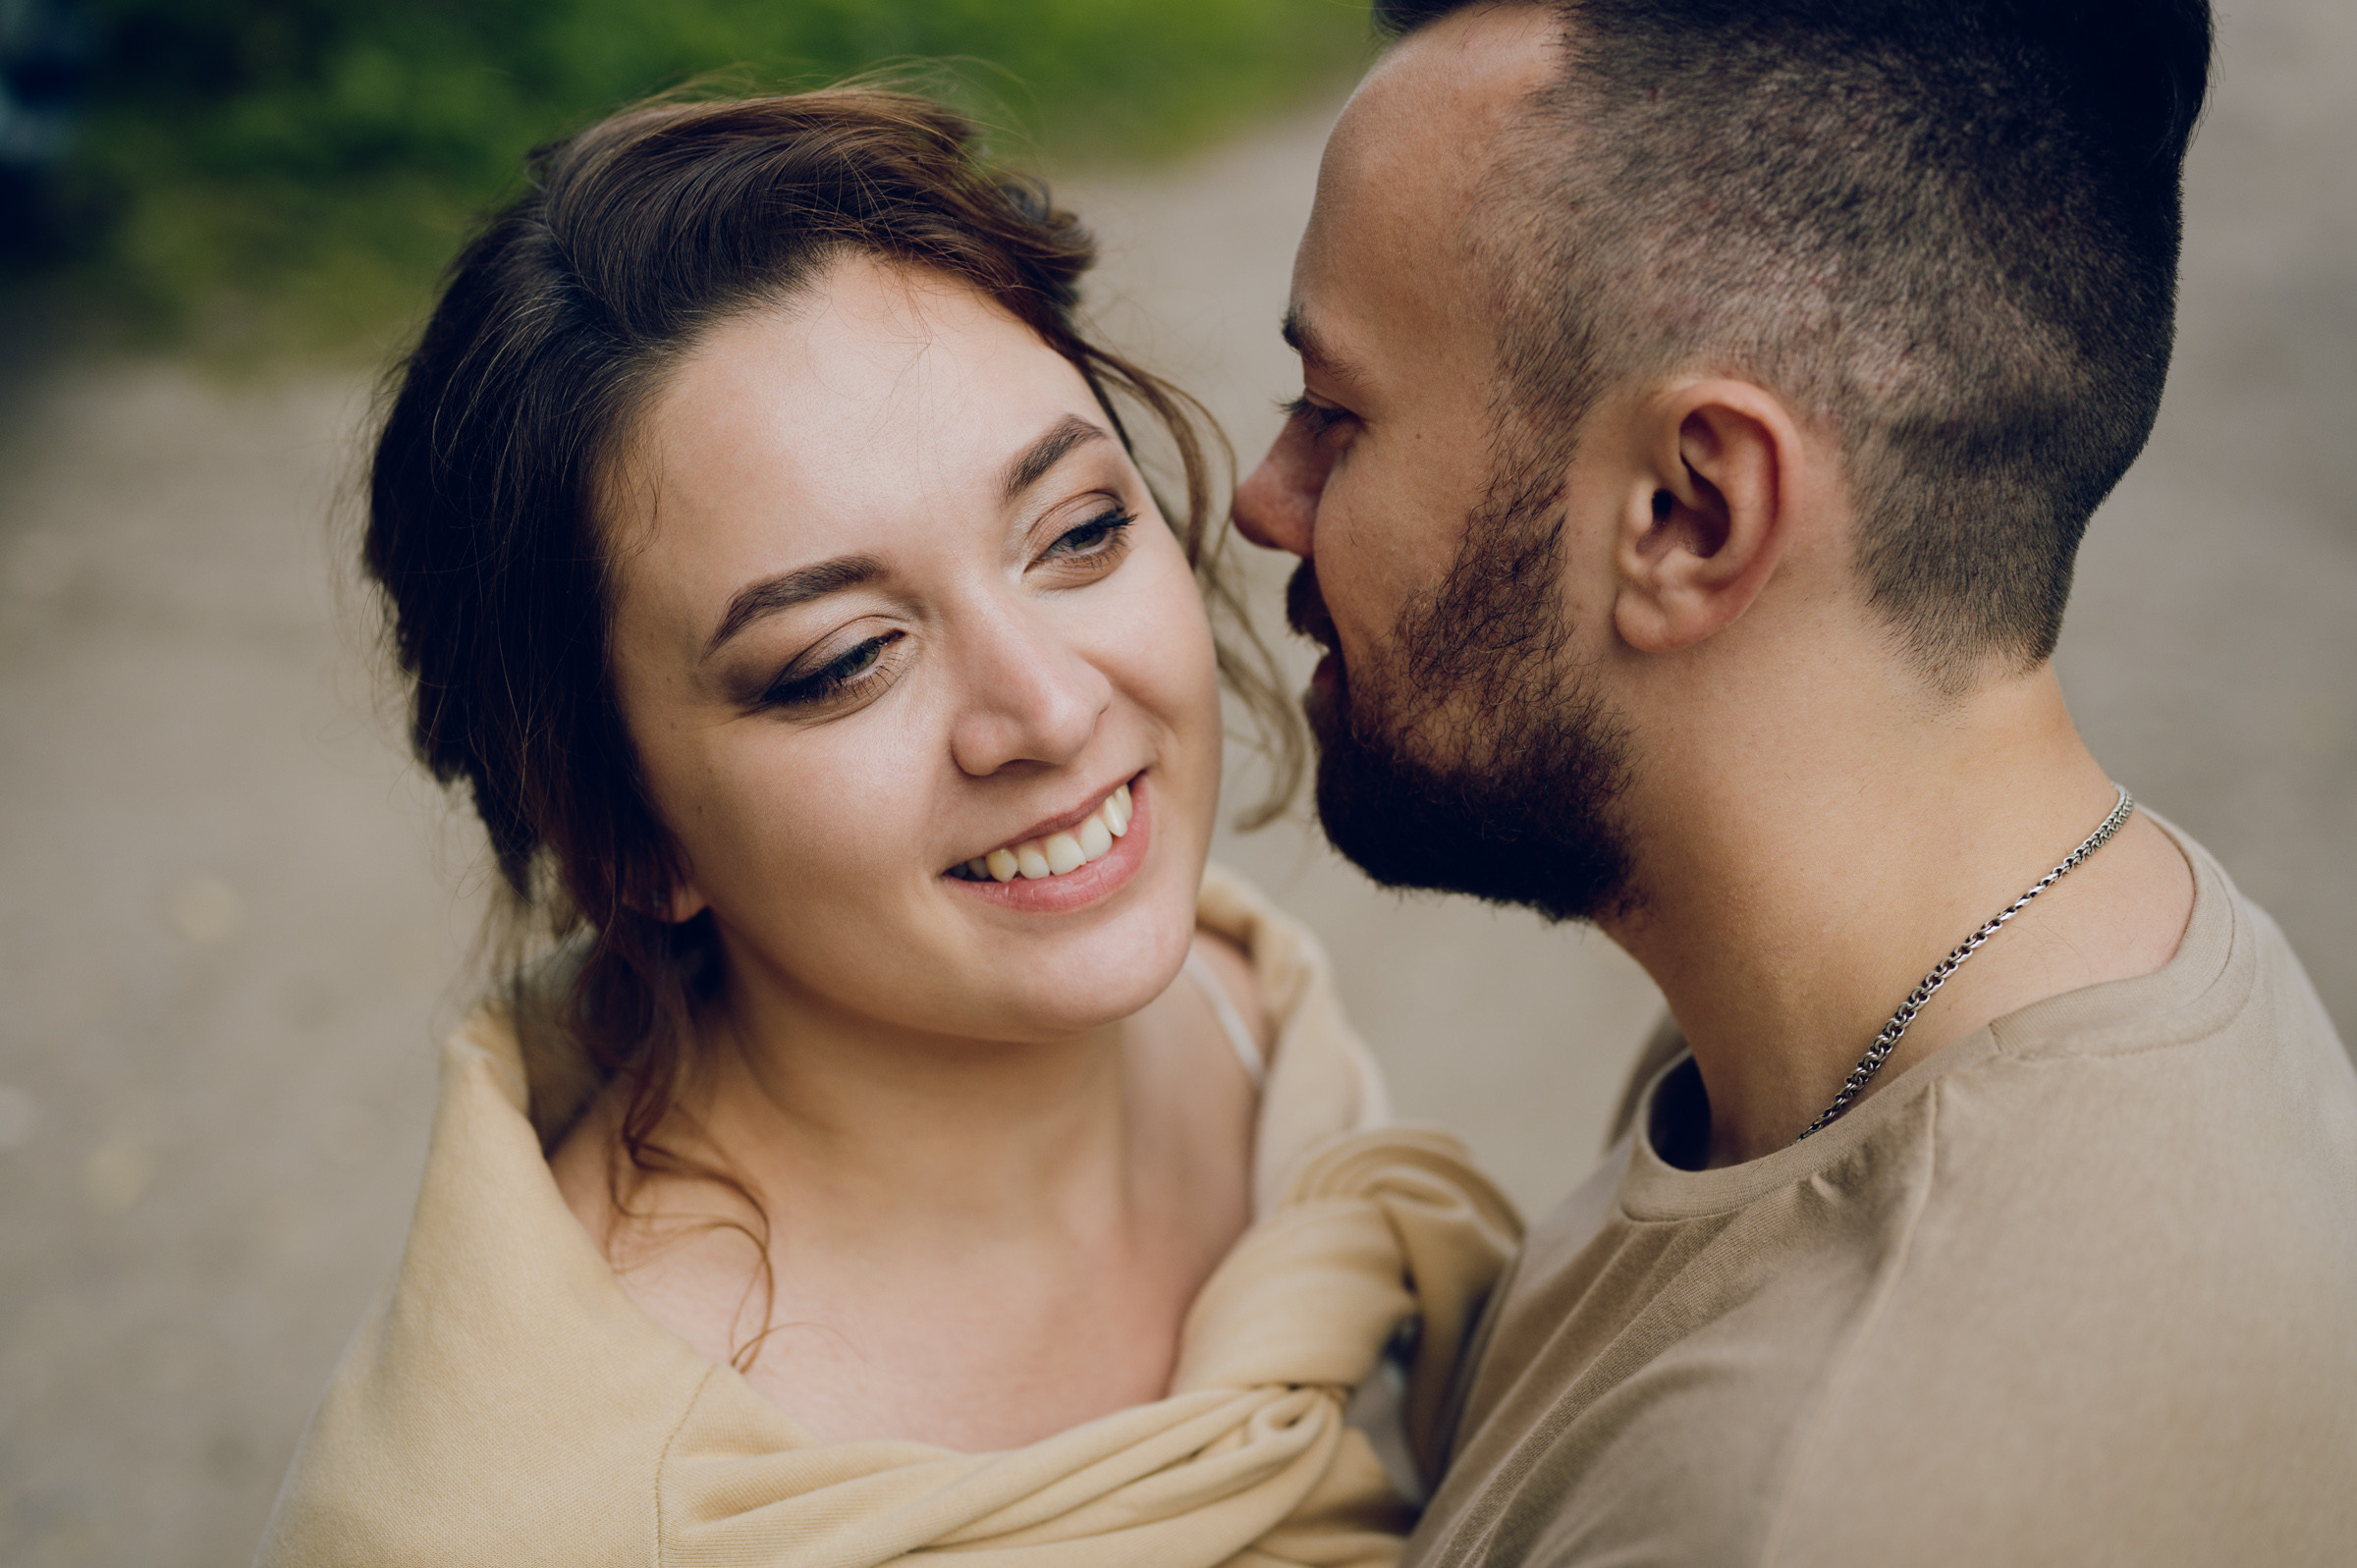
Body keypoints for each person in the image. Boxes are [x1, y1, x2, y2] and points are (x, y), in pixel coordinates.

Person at [257, 88, 1520, 1567]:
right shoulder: (523, 1522)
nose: (1047, 708)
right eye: (846, 658)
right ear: (621, 838)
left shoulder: (1241, 1003)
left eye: (1078, 533)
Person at [1232, 1, 2357, 1563]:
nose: (1262, 498)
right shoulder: (2025, 949)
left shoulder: (1810, 1494)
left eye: (1336, 414)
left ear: (1694, 513)